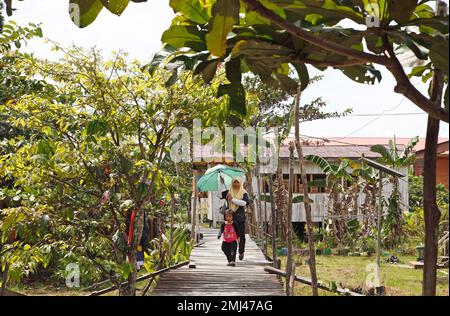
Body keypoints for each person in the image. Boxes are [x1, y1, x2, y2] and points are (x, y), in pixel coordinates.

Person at [219, 176, 248, 260]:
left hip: (240, 218)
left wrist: (232, 199)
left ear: (240, 183)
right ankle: (232, 257)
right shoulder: (229, 191)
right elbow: (219, 195)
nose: (235, 184)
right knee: (230, 237)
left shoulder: (243, 192)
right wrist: (221, 183)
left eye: (237, 182)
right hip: (230, 218)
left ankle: (241, 251)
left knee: (241, 236)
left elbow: (244, 203)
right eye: (234, 182)